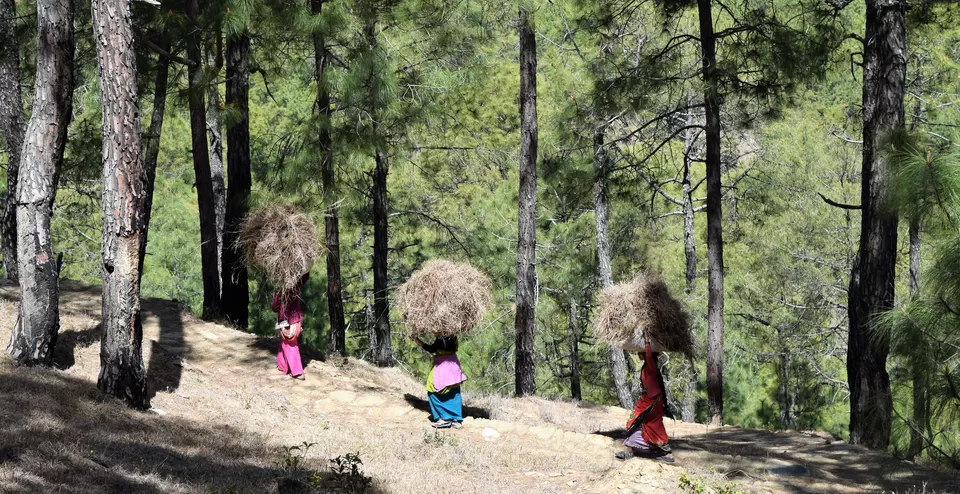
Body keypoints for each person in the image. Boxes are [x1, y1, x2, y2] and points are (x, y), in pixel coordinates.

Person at [615, 334, 675, 463]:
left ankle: (667, 453)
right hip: (649, 399)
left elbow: (649, 356)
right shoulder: (647, 367)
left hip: (653, 401)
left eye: (640, 351)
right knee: (639, 423)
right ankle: (631, 450)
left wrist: (647, 342)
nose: (638, 353)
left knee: (647, 423)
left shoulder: (651, 365)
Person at [414, 335, 467, 429]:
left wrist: (418, 341)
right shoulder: (454, 336)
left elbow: (432, 349)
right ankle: (456, 420)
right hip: (454, 365)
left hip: (443, 366)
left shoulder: (441, 337)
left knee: (433, 390)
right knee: (454, 392)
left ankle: (444, 419)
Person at [273, 272, 310, 380]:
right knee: (285, 344)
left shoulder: (281, 291)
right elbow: (305, 276)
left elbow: (275, 307)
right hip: (296, 322)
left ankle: (297, 372)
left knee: (290, 345)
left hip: (287, 324)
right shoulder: (296, 287)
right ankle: (282, 365)